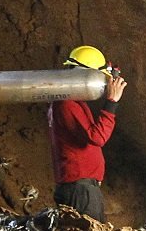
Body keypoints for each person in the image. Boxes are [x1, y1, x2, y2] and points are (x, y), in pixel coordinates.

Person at [47, 45, 128, 219]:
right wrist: (112, 102)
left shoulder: (72, 101)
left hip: (82, 188)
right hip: (80, 190)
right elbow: (97, 137)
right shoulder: (66, 103)